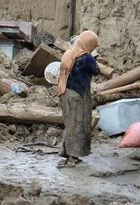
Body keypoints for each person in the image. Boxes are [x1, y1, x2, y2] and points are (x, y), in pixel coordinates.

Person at [57, 30, 100, 168]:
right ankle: (71, 157)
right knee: (77, 126)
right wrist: (95, 58)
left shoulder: (69, 53)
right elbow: (96, 71)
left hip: (65, 92)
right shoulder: (86, 58)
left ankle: (67, 153)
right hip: (78, 95)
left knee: (70, 125)